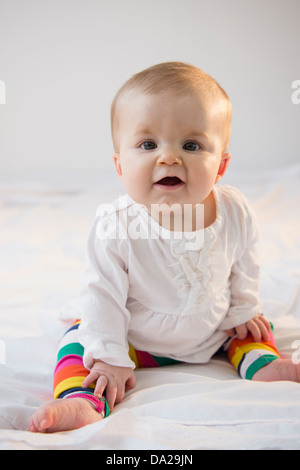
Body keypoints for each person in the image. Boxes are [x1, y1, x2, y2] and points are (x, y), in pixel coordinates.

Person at [28, 62, 300, 433]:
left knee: (253, 328)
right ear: (120, 165)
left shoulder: (235, 210)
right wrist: (109, 355)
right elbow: (101, 295)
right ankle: (81, 401)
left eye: (191, 145)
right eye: (148, 144)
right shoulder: (116, 226)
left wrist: (244, 308)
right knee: (80, 341)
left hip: (212, 330)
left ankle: (265, 363)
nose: (169, 157)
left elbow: (244, 260)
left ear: (220, 166)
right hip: (135, 340)